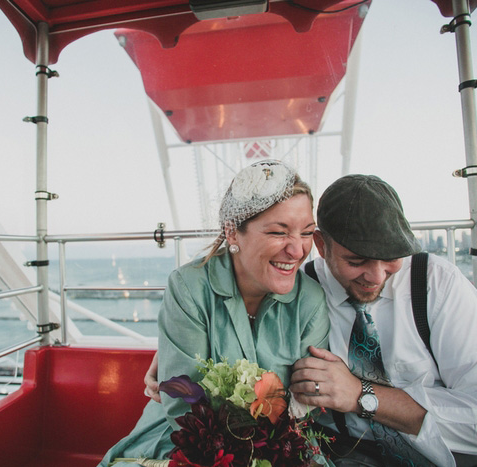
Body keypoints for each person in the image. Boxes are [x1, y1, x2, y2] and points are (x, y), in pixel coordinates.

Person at [98, 160, 330, 466]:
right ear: (232, 232)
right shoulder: (188, 287)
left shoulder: (310, 300)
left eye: (306, 233)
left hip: (283, 444)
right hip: (188, 439)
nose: (298, 250)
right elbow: (183, 406)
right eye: (279, 232)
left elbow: (306, 402)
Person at [289, 174, 477, 466]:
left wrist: (361, 395)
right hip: (354, 454)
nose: (376, 277)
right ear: (322, 246)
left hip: (461, 456)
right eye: (356, 261)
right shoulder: (299, 293)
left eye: (392, 257)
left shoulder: (437, 284)